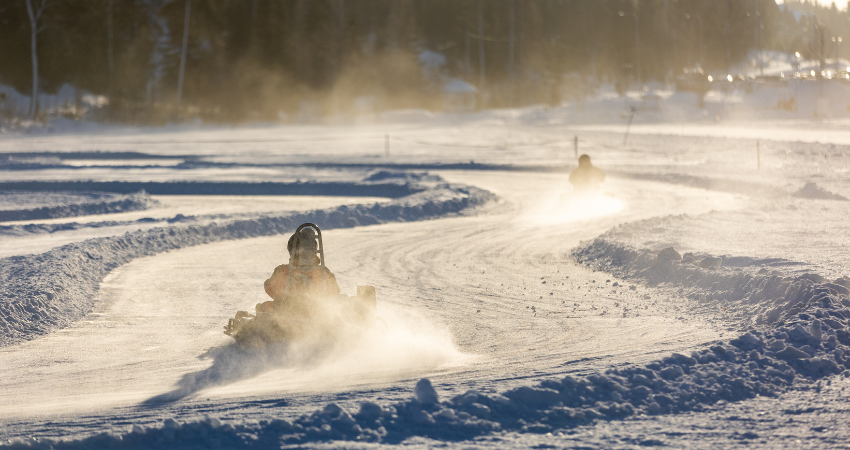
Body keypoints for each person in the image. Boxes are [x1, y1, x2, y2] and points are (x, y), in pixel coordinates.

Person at [256, 227, 340, 314]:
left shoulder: (283, 270)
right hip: (318, 312)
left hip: (288, 313)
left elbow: (270, 288)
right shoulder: (323, 271)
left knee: (263, 307)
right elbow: (335, 291)